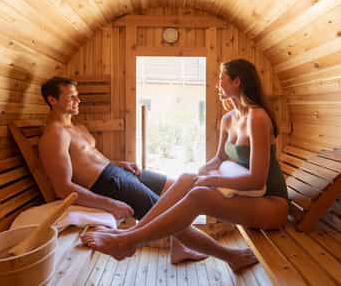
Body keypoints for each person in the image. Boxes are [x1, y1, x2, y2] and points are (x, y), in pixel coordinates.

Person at [80, 59, 289, 272]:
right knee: (186, 179)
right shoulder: (228, 119)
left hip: (271, 205)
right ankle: (127, 236)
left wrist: (212, 179)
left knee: (199, 195)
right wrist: (201, 173)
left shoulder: (258, 117)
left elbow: (257, 179)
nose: (217, 84)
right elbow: (219, 159)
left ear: (237, 81)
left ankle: (128, 241)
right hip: (249, 199)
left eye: (221, 78)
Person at [38, 77, 207, 264]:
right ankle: (222, 253)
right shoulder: (54, 135)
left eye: (77, 96)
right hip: (108, 183)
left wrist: (119, 164)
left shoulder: (78, 128)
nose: (78, 101)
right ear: (52, 100)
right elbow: (62, 188)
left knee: (179, 188)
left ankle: (178, 248)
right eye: (71, 97)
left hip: (115, 172)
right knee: (168, 214)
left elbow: (91, 160)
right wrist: (110, 204)